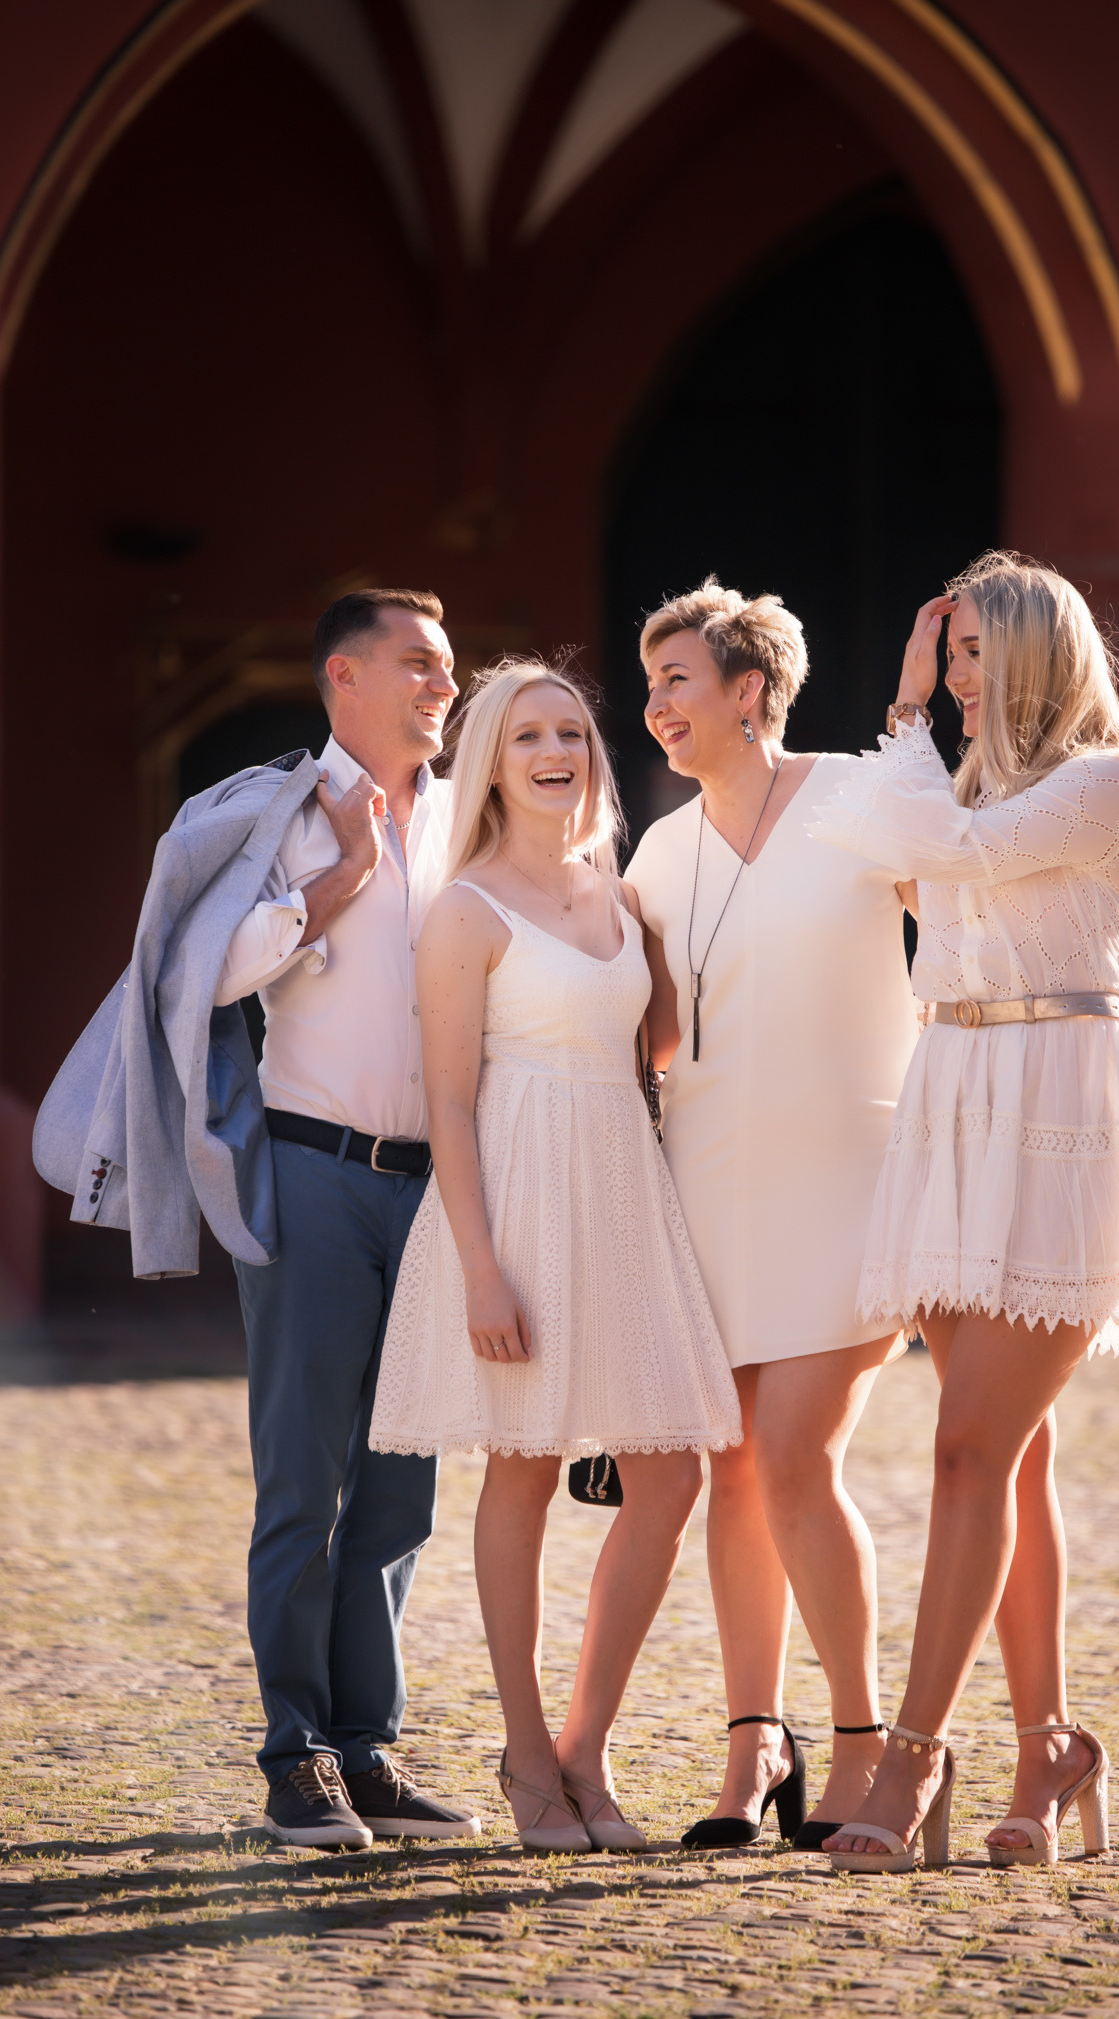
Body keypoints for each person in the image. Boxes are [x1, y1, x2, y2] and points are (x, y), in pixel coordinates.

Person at [811, 551, 1119, 1873]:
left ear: (1036, 656)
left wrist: (905, 720)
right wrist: (916, 737)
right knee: (1010, 1460)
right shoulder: (959, 786)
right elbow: (901, 857)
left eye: (975, 654)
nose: (957, 679)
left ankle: (912, 1763)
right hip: (955, 1101)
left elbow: (947, 852)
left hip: (1058, 1117)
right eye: (950, 653)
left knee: (968, 1451)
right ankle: (1049, 1751)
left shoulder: (1105, 784)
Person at [369, 660, 741, 1852]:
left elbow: (673, 1042)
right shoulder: (464, 910)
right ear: (490, 758)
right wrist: (481, 1267)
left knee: (672, 1471)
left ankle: (588, 1745)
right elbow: (449, 1099)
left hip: (623, 1192)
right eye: (529, 732)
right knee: (521, 1471)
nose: (556, 749)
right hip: (515, 1201)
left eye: (572, 730)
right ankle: (526, 1755)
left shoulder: (622, 896)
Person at [623, 580, 918, 1848]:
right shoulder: (658, 851)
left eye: (678, 678)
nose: (655, 705)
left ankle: (863, 1742)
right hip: (706, 1192)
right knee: (735, 1469)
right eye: (650, 684)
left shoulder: (859, 797)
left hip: (850, 1179)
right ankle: (754, 1743)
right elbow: (643, 1032)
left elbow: (967, 918)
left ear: (751, 690)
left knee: (798, 1457)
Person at [212, 588, 481, 1850]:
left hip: (436, 1187)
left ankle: (368, 1750)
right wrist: (341, 881)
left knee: (400, 1485)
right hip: (312, 1174)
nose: (445, 682)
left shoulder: (472, 817)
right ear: (344, 679)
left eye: (448, 664)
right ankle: (294, 1755)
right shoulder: (273, 812)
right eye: (419, 662)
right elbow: (201, 972)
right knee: (303, 1480)